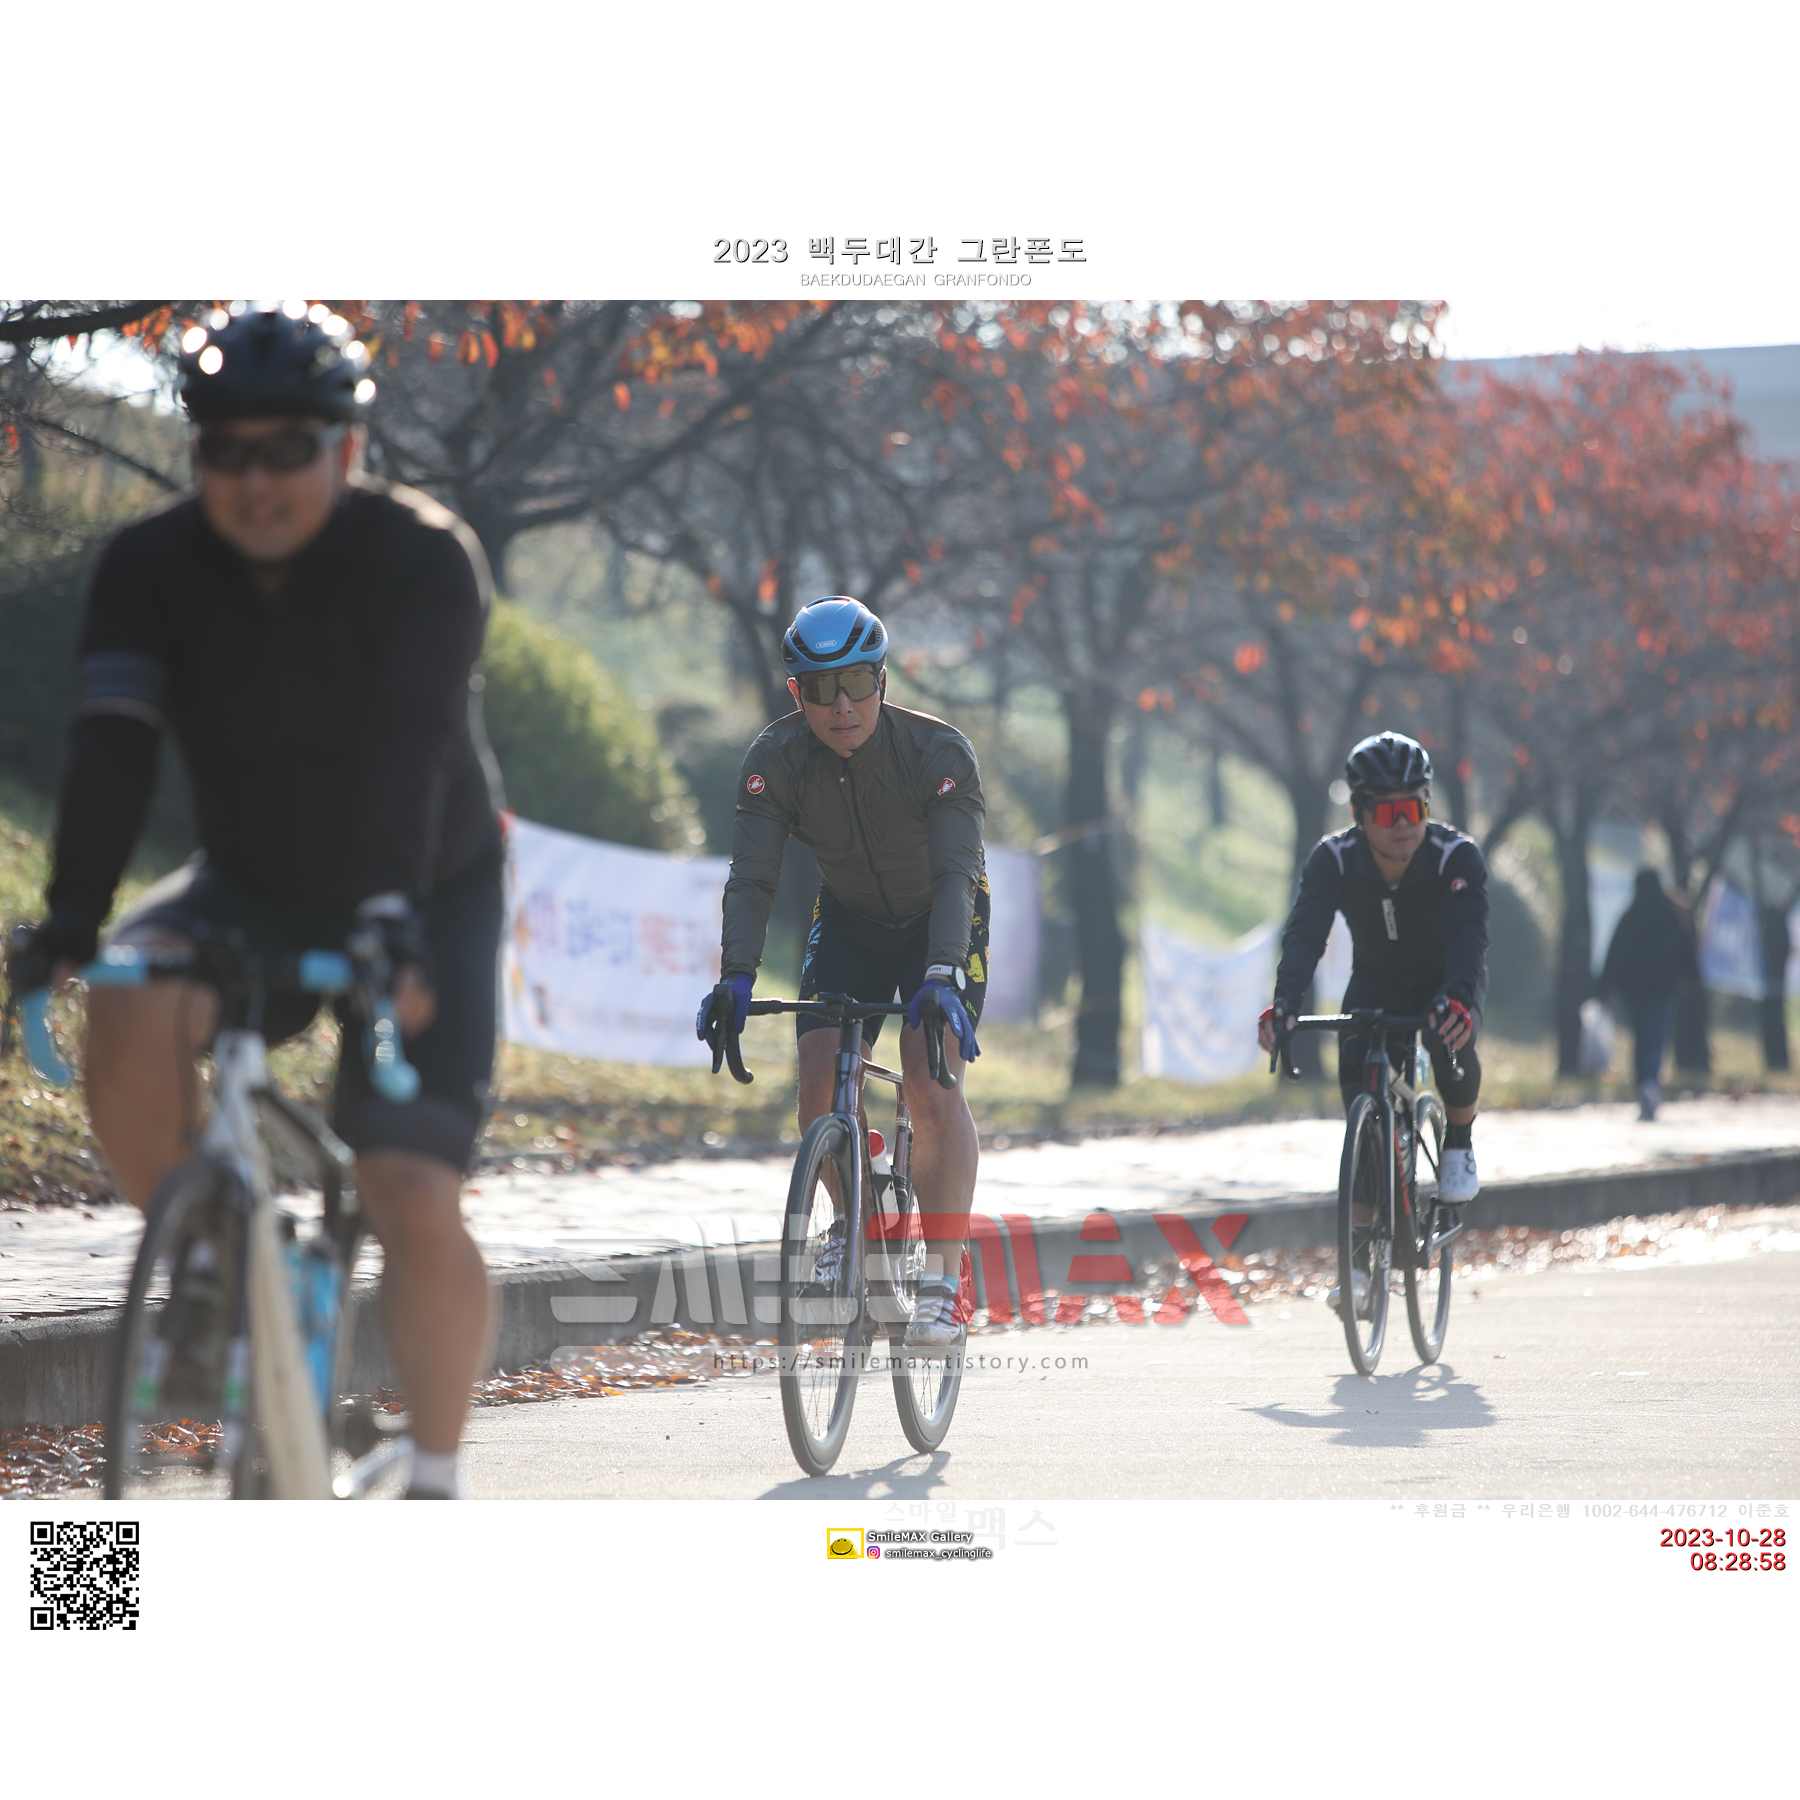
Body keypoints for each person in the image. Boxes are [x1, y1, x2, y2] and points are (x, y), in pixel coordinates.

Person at [3, 304, 504, 1498]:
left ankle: (434, 1475)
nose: (256, 480)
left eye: (288, 450)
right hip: (253, 881)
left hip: (425, 882)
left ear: (348, 450)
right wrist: (71, 919)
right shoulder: (151, 564)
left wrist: (388, 915)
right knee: (131, 1000)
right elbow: (114, 741)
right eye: (226, 451)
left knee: (407, 1186)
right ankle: (209, 1264)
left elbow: (409, 744)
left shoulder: (422, 558)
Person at [697, 597, 987, 1350]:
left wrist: (942, 970)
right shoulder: (776, 761)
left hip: (941, 920)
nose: (843, 706)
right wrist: (735, 976)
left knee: (930, 1078)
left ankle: (941, 1283)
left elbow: (956, 875)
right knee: (820, 1081)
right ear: (798, 694)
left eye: (857, 682)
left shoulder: (938, 753)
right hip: (851, 918)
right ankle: (854, 1225)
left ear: (881, 679)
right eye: (822, 690)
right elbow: (752, 878)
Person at [1255, 731, 1488, 1315]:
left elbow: (1468, 939)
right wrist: (1285, 1003)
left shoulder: (1455, 857)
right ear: (1359, 815)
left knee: (1447, 1034)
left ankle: (1458, 1142)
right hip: (1375, 986)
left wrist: (1459, 999)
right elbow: (1305, 934)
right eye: (1386, 813)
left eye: (1414, 808)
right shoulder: (1333, 860)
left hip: (1445, 984)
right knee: (1364, 1118)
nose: (1403, 824)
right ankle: (1358, 1271)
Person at [1598, 868, 1698, 1120]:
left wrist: (1604, 989)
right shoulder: (1669, 916)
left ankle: (1642, 1083)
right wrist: (1691, 978)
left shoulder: (1629, 916)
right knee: (1654, 1040)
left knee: (1640, 1039)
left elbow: (1614, 954)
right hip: (1662, 992)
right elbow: (1685, 950)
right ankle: (1650, 1084)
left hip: (1632, 993)